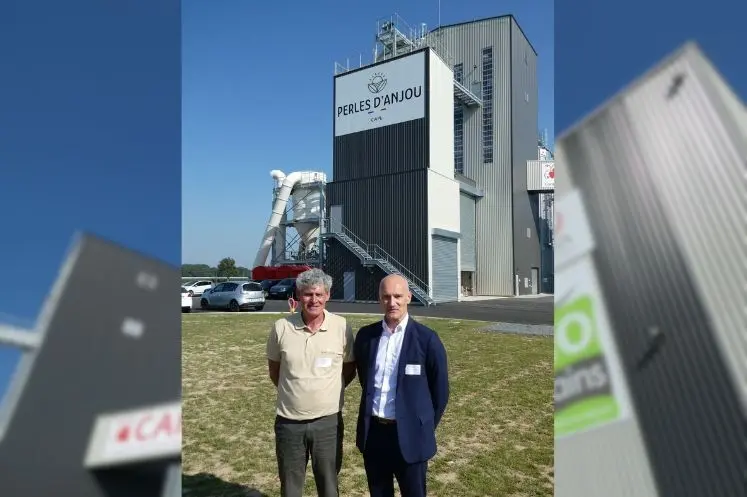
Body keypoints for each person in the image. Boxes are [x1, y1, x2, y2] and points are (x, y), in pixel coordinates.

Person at [353, 274, 449, 497]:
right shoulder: (366, 337)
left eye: (397, 296)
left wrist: (421, 425)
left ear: (409, 297)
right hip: (375, 435)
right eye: (386, 297)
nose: (392, 302)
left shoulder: (427, 339)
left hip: (410, 436)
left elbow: (440, 392)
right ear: (379, 299)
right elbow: (365, 380)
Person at [266, 268, 356, 497]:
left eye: (318, 294)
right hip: (289, 423)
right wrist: (297, 393)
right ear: (298, 296)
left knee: (328, 485)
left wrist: (326, 391)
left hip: (328, 423)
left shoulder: (342, 327)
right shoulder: (281, 328)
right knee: (291, 487)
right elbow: (275, 371)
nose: (313, 300)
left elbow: (348, 369)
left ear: (327, 295)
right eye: (307, 294)